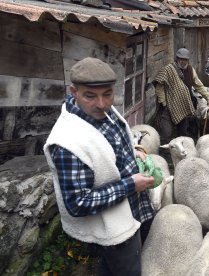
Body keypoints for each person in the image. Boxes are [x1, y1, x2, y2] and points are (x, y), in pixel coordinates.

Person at [43, 57, 155, 276]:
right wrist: (130, 185)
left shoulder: (104, 112)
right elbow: (78, 203)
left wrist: (134, 151)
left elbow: (113, 142)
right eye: (90, 96)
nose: (102, 103)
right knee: (127, 269)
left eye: (108, 94)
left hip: (131, 209)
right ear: (74, 93)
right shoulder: (67, 142)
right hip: (112, 226)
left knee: (113, 267)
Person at [153, 48, 209, 144]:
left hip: (183, 106)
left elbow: (198, 85)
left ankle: (181, 152)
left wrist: (208, 97)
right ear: (177, 59)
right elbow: (159, 87)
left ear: (188, 60)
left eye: (185, 59)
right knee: (166, 133)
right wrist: (164, 102)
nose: (183, 61)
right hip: (168, 106)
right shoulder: (168, 69)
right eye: (181, 59)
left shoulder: (190, 70)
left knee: (183, 132)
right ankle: (165, 153)